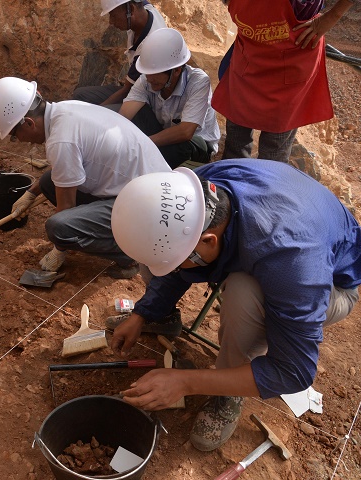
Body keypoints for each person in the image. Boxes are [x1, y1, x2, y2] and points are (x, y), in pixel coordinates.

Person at [108, 159, 360, 451]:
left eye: (184, 257)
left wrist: (188, 383)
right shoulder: (196, 193)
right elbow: (178, 257)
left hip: (333, 285)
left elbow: (294, 371)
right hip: (279, 228)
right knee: (158, 264)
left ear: (209, 240)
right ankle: (162, 316)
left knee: (243, 293)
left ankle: (229, 387)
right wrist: (143, 313)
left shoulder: (291, 264)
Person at [0, 76, 170, 278]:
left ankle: (130, 253)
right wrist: (31, 193)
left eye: (14, 134)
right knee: (48, 183)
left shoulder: (60, 141)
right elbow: (60, 173)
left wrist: (59, 249)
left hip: (151, 207)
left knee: (59, 227)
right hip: (149, 185)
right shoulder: (65, 109)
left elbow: (66, 208)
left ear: (28, 123)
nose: (18, 140)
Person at [213, 0, 355, 162]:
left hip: (293, 57)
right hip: (250, 52)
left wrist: (332, 17)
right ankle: (232, 177)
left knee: (275, 146)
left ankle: (270, 182)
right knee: (236, 135)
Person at [120, 28, 220, 168]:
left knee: (178, 148)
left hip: (196, 145)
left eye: (155, 74)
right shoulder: (146, 79)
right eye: (147, 73)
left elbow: (186, 131)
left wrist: (143, 143)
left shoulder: (198, 82)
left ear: (177, 70)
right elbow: (125, 114)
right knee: (136, 116)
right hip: (162, 136)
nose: (149, 79)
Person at [72, 0, 167, 111]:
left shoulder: (148, 48)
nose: (110, 22)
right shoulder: (146, 10)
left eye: (113, 15)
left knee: (106, 115)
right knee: (80, 95)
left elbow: (126, 91)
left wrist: (96, 112)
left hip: (147, 103)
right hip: (133, 90)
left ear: (131, 10)